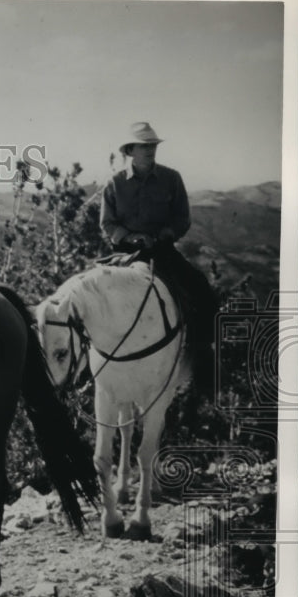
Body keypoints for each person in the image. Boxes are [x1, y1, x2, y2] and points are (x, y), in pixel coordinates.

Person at [101, 121, 219, 399]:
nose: (150, 150)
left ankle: (201, 364)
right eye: (144, 146)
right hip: (127, 254)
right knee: (93, 297)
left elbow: (182, 219)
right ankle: (91, 370)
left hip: (163, 251)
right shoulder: (114, 184)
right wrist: (130, 238)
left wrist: (167, 232)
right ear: (130, 150)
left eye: (152, 145)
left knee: (201, 290)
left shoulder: (172, 178)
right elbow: (107, 224)